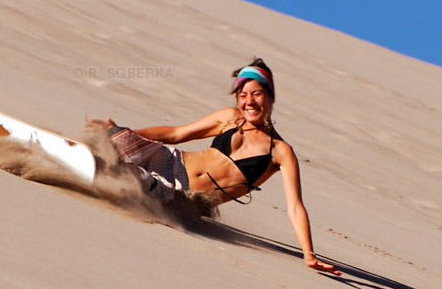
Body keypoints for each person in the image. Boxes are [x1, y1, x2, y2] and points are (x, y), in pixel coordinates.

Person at [87, 58, 340, 275]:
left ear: (270, 97)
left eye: (257, 94)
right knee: (119, 140)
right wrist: (126, 133)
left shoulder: (281, 152)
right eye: (243, 95)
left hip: (185, 197)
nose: (249, 101)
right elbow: (176, 133)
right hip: (171, 161)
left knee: (140, 183)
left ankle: (110, 170)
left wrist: (308, 253)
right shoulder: (230, 117)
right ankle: (101, 157)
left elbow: (295, 206)